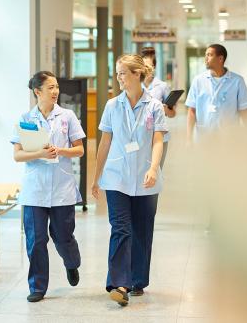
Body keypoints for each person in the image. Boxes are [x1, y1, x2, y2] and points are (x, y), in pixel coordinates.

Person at [91, 54, 168, 306]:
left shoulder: (154, 106)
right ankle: (119, 283)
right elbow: (105, 142)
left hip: (146, 178)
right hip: (117, 178)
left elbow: (158, 140)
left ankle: (137, 280)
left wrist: (154, 168)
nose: (118, 77)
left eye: (122, 72)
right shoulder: (113, 105)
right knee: (121, 228)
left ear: (137, 74)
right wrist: (96, 177)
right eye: (117, 73)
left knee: (142, 231)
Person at [10, 71, 86, 303]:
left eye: (56, 87)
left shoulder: (68, 116)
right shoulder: (25, 119)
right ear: (37, 92)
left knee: (62, 237)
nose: (55, 91)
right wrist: (39, 153)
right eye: (50, 88)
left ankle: (71, 263)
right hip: (35, 190)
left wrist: (60, 151)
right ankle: (37, 286)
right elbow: (18, 155)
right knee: (36, 239)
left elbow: (80, 149)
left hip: (62, 187)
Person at [185, 43, 247, 143]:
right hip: (203, 137)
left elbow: (244, 111)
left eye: (209, 55)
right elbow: (192, 111)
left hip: (229, 138)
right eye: (205, 55)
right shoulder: (198, 81)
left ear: (220, 59)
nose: (206, 58)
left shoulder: (237, 81)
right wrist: (188, 138)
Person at [141, 46, 176, 166]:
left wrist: (165, 109)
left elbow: (172, 114)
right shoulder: (135, 86)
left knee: (157, 170)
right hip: (140, 135)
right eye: (144, 66)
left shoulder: (162, 86)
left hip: (160, 136)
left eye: (149, 66)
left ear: (154, 67)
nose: (146, 69)